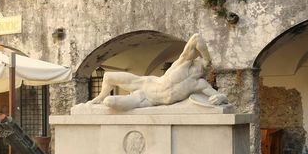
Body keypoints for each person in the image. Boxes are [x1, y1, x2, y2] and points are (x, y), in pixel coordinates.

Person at [88, 33, 228, 110]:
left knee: (110, 102)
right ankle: (99, 97)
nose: (200, 63)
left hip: (147, 101)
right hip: (144, 84)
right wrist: (207, 58)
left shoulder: (200, 84)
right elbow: (196, 38)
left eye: (204, 64)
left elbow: (220, 97)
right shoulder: (183, 63)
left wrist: (221, 98)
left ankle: (103, 99)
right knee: (108, 77)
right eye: (199, 60)